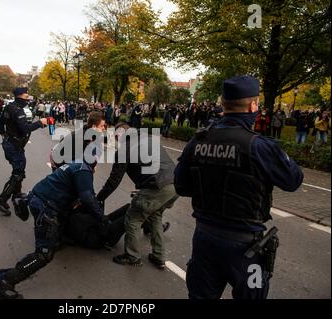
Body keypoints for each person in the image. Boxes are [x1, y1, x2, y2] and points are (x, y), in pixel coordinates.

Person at [174, 75, 304, 299]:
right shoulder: (260, 146)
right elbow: (293, 180)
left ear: (223, 104)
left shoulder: (198, 141)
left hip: (205, 240)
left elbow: (181, 186)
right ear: (253, 105)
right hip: (246, 248)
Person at [0, 161, 104, 299]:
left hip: (39, 199)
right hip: (47, 208)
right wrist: (101, 218)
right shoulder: (84, 171)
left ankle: (24, 202)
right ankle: (5, 282)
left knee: (56, 233)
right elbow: (88, 198)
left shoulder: (75, 165)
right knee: (44, 254)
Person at [96, 123, 178, 269]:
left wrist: (99, 198)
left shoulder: (124, 150)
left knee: (133, 219)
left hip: (157, 187)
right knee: (155, 216)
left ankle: (132, 256)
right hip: (175, 184)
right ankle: (159, 256)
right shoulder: (148, 138)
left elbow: (114, 180)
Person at [0, 87, 48, 216]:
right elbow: (25, 129)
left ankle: (16, 194)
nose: (27, 98)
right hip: (14, 146)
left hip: (10, 143)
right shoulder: (17, 110)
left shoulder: (9, 107)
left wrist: (3, 134)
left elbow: (0, 122)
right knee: (18, 173)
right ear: (19, 96)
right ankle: (1, 200)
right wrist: (40, 123)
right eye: (26, 96)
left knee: (18, 170)